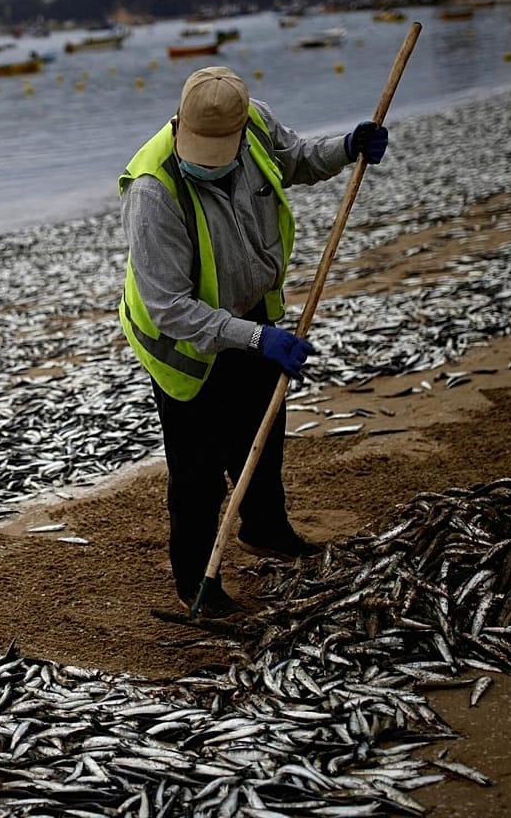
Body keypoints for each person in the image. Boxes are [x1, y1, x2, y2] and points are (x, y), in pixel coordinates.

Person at [117, 66, 389, 618]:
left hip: (252, 318)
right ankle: (195, 581)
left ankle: (265, 530)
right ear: (179, 124)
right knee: (197, 471)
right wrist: (257, 338)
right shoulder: (153, 192)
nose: (210, 163)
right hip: (183, 346)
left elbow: (295, 160)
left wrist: (345, 148)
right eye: (201, 153)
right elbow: (170, 308)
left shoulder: (256, 123)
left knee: (261, 433)